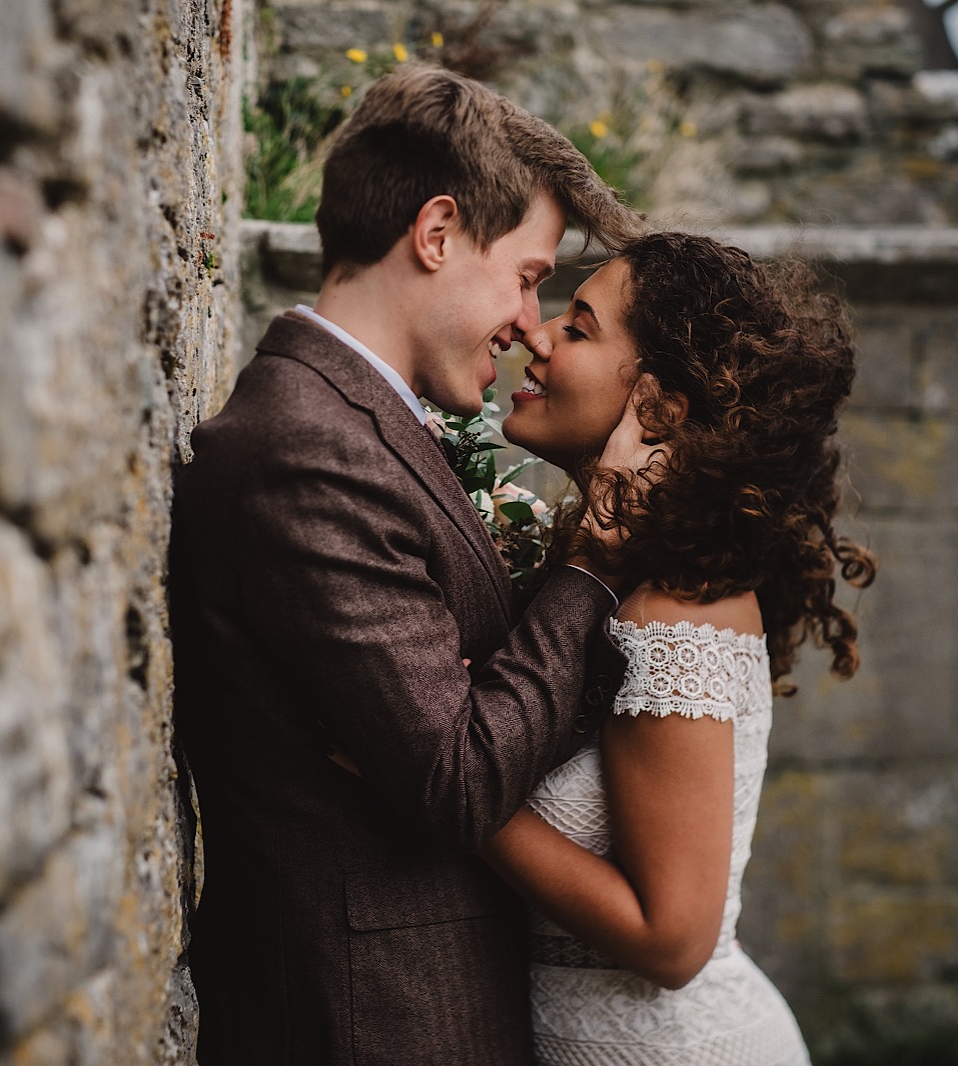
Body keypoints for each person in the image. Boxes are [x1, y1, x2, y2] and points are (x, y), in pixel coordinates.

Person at [170, 64, 646, 1065]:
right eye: (525, 276)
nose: (528, 322)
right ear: (435, 235)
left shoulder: (361, 424)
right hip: (376, 1022)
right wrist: (592, 566)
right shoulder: (309, 449)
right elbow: (460, 776)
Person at [483, 232, 876, 1065]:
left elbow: (674, 942)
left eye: (580, 327)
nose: (537, 334)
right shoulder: (611, 578)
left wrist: (439, 783)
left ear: (660, 408)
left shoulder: (677, 619)